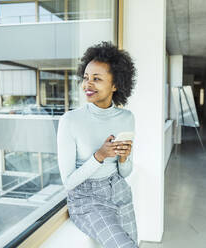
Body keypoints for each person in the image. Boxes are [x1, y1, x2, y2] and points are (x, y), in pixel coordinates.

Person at [57, 41, 138, 248]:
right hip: (87, 201)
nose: (87, 84)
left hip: (119, 191)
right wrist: (99, 156)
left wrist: (124, 157)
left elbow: (125, 172)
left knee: (132, 243)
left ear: (115, 84)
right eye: (85, 78)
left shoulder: (127, 118)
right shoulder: (70, 121)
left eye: (97, 79)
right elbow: (68, 183)